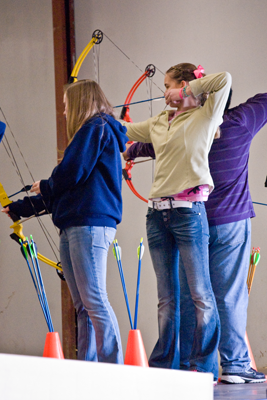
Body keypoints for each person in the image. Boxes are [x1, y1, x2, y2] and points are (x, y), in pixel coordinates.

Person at [124, 91, 267, 383]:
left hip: (190, 221)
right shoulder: (240, 121)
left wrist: (129, 152)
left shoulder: (186, 129)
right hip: (229, 222)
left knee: (192, 296)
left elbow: (149, 145)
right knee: (228, 295)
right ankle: (236, 364)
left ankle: (191, 366)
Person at [2, 79, 128, 363]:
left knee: (94, 300)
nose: (64, 111)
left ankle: (115, 370)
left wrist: (45, 184)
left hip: (90, 226)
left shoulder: (96, 128)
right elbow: (68, 190)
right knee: (83, 305)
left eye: (66, 105)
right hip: (75, 226)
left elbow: (70, 175)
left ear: (81, 101)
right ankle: (87, 369)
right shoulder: (90, 134)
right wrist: (21, 208)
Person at [122, 63, 232, 377]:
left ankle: (204, 367)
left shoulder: (206, 115)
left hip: (188, 213)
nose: (164, 94)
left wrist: (184, 92)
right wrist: (99, 116)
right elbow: (127, 130)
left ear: (182, 85)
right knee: (166, 298)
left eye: (168, 86)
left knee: (200, 293)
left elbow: (224, 79)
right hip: (156, 215)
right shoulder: (159, 121)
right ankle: (164, 368)